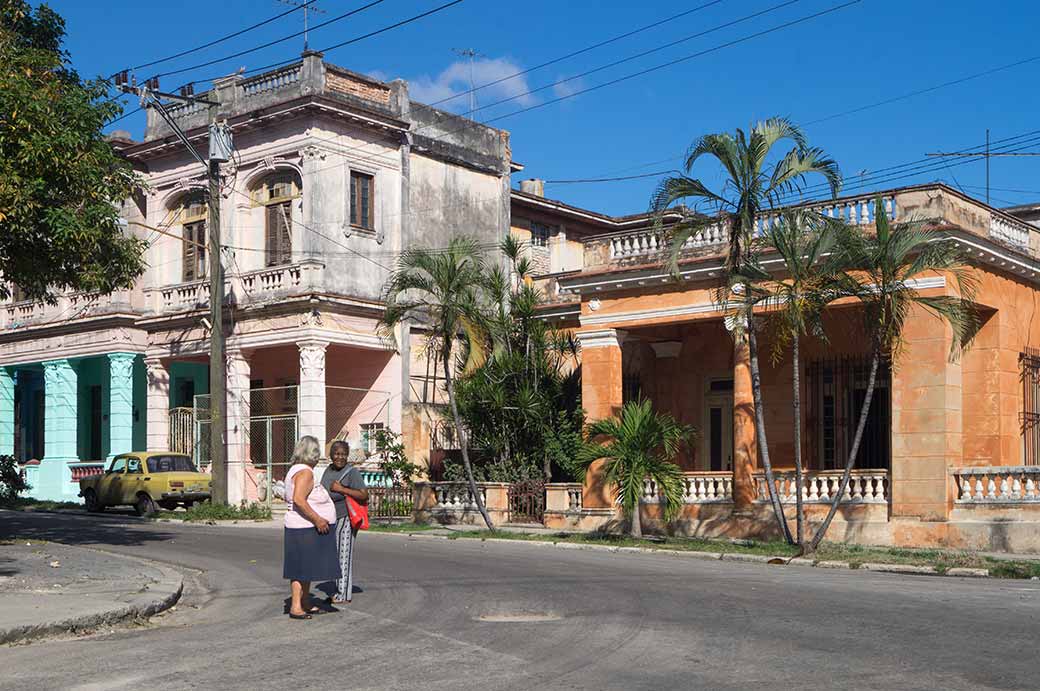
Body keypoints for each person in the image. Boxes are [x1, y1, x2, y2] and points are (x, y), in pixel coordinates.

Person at [283, 435, 340, 620]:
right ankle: (296, 607)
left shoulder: (296, 470)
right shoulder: (305, 472)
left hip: (302, 527)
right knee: (300, 568)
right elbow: (299, 499)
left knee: (306, 568)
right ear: (313, 454)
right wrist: (317, 519)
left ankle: (305, 602)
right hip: (303, 527)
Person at [321, 440, 368, 604]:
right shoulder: (328, 471)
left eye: (343, 454)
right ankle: (336, 590)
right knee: (333, 556)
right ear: (331, 455)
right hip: (331, 519)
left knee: (343, 555)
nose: (340, 457)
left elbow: (364, 495)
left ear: (347, 456)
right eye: (336, 454)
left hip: (347, 517)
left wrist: (342, 489)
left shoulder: (352, 472)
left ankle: (343, 594)